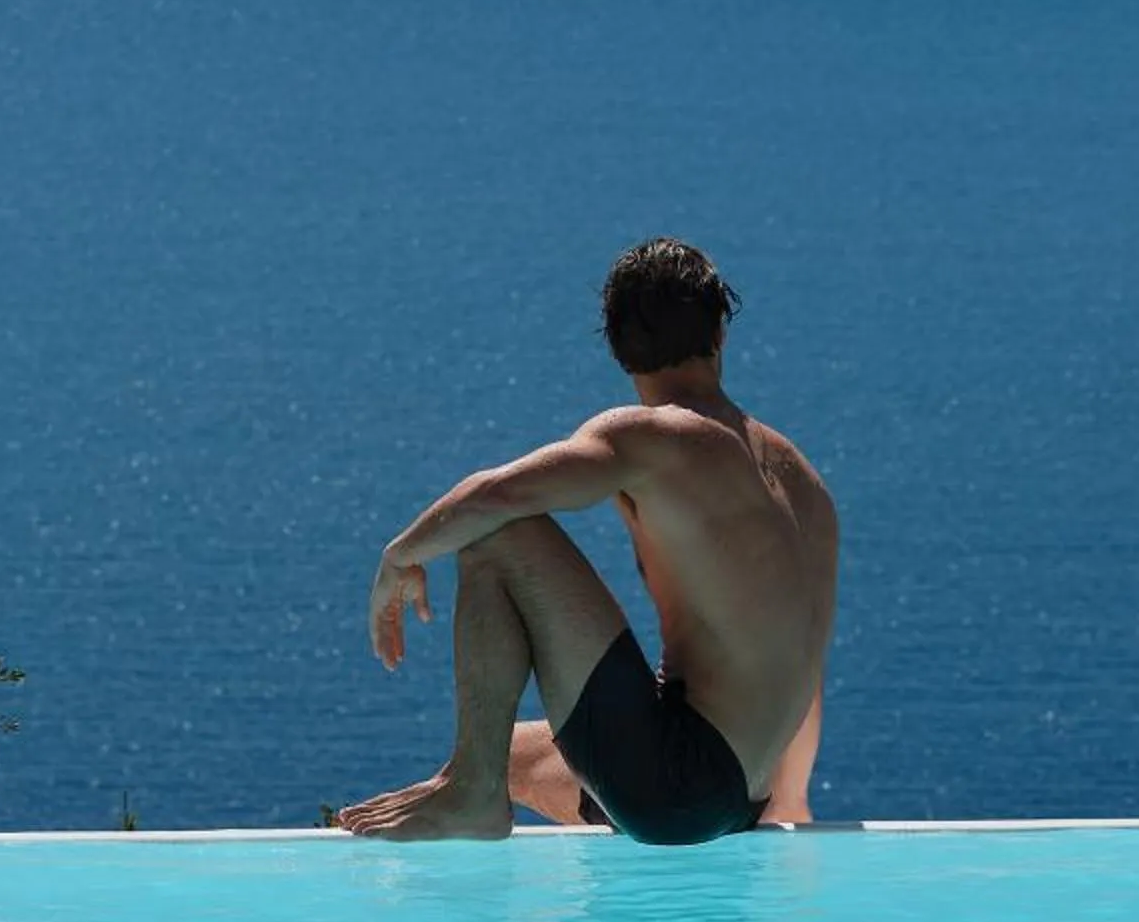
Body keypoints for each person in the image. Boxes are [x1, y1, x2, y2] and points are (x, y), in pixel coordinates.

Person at [337, 238, 837, 843]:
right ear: (720, 334)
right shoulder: (800, 479)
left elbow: (496, 497)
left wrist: (400, 555)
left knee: (498, 534)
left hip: (677, 781)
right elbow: (798, 649)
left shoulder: (654, 438)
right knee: (506, 752)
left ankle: (472, 795)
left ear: (618, 348)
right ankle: (472, 782)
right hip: (741, 797)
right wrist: (792, 801)